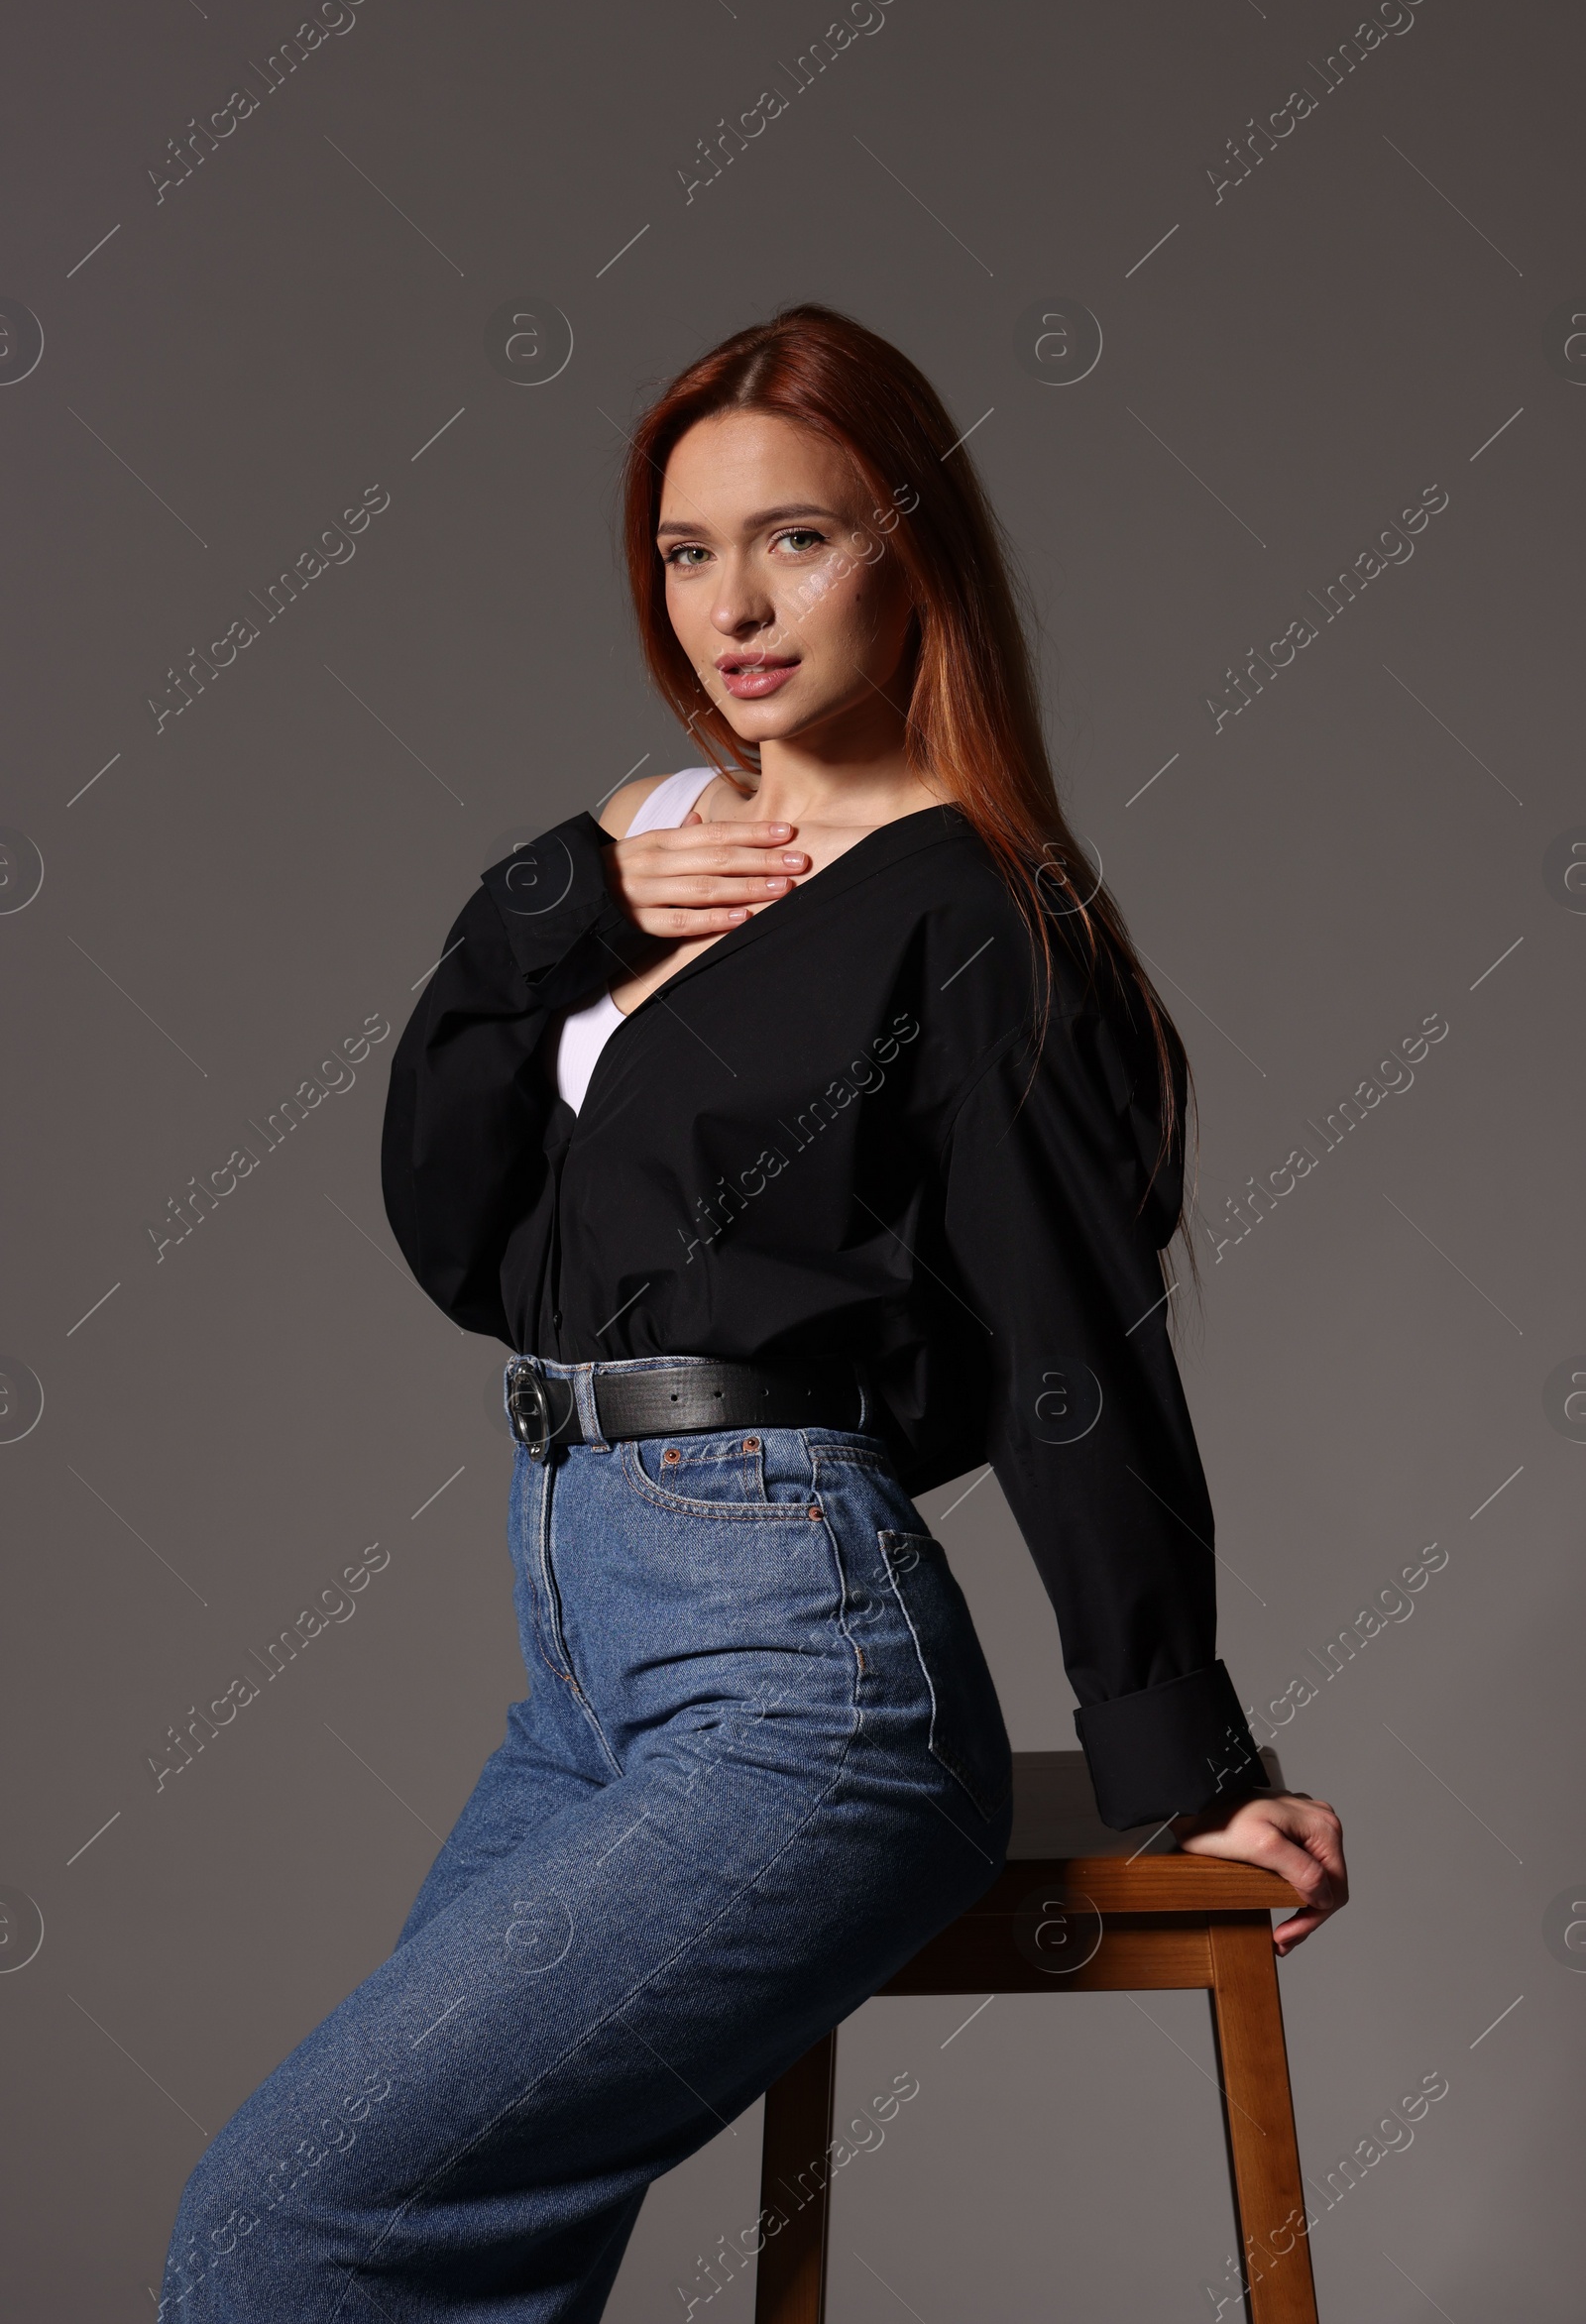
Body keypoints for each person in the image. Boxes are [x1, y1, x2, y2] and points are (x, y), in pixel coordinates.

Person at [159, 302, 1346, 2320]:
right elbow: (476, 1255)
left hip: (793, 1676)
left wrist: (1183, 1752)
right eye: (687, 550)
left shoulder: (973, 917)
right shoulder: (652, 859)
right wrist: (548, 908)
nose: (734, 603)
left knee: (287, 2230)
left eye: (796, 537)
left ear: (911, 549)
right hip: (584, 1652)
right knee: (424, 2261)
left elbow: (1072, 1355)